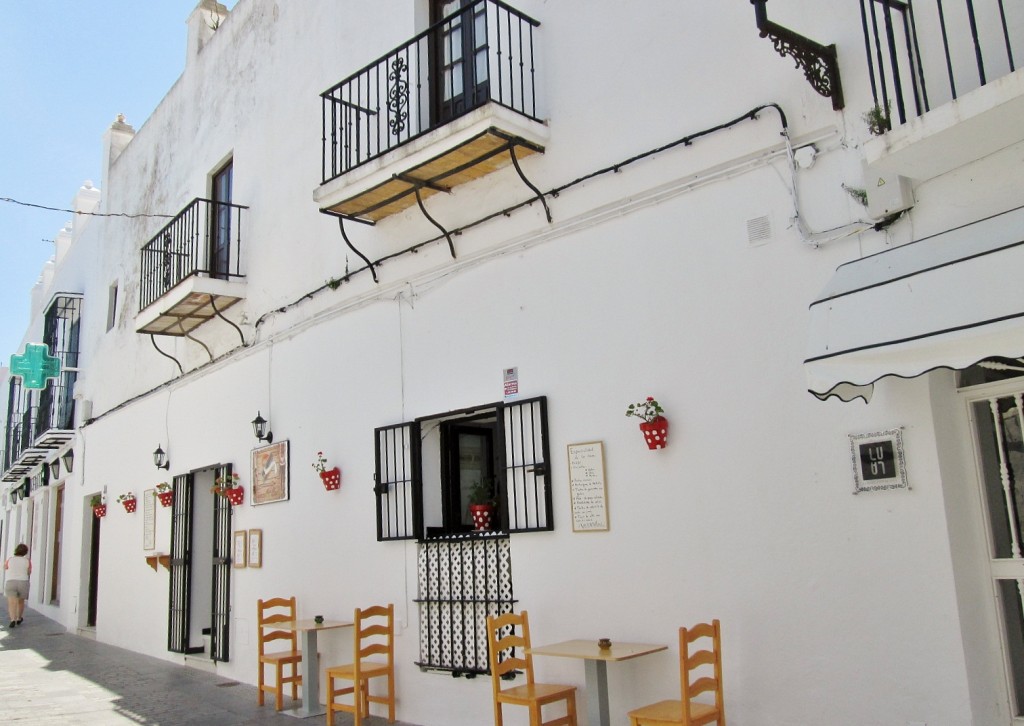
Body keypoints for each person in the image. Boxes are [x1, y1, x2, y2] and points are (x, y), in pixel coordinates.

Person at [5, 543, 31, 628]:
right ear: (25, 552)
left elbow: (5, 567)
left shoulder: (10, 559)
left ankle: (12, 619)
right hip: (23, 582)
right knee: (20, 602)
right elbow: (29, 572)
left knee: (11, 602)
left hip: (11, 581)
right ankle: (19, 618)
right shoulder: (27, 561)